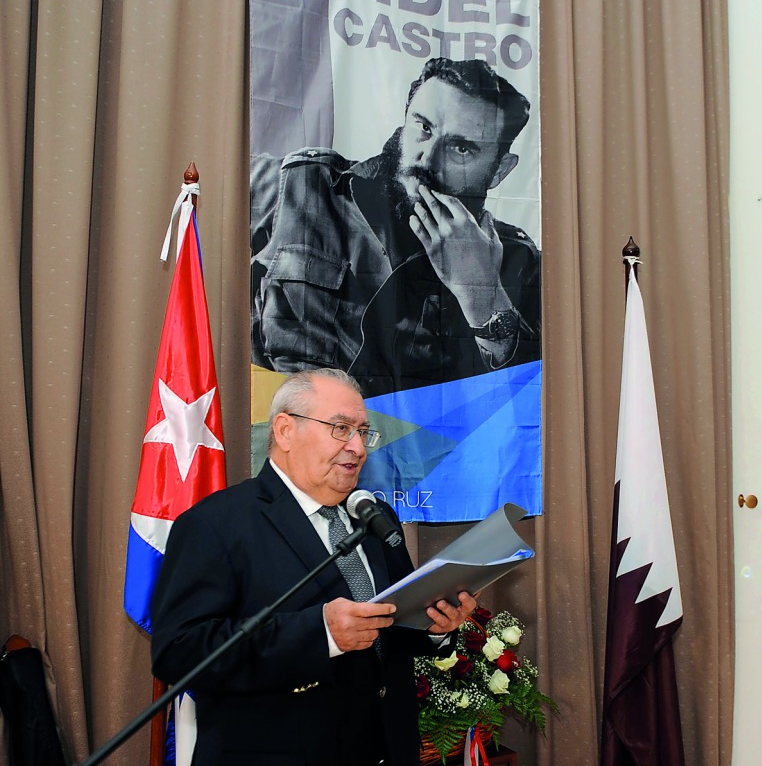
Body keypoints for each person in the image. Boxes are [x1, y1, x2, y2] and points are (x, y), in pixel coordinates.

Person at [151, 369, 477, 765]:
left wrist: (436, 627)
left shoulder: (373, 516)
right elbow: (179, 652)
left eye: (363, 432)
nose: (358, 447)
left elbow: (391, 630)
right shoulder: (216, 523)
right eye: (341, 429)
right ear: (285, 431)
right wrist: (320, 634)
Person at [250, 57, 541, 396]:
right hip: (284, 425)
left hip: (409, 431)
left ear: (500, 170)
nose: (427, 159)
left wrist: (483, 296)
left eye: (461, 148)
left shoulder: (519, 264)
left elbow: (527, 404)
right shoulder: (300, 186)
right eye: (424, 128)